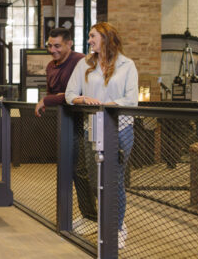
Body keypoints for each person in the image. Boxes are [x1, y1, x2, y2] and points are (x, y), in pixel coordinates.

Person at [65, 22, 138, 249]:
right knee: (97, 181)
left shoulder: (128, 65)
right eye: (89, 36)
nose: (89, 41)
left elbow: (131, 99)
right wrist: (84, 99)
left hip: (121, 129)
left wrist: (106, 107)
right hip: (93, 128)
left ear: (106, 38)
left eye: (92, 36)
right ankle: (106, 220)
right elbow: (69, 94)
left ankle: (116, 228)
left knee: (114, 180)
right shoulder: (83, 64)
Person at [34, 28, 96, 234]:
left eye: (57, 46)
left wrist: (47, 99)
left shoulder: (81, 61)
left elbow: (74, 94)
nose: (52, 50)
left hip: (82, 123)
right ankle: (80, 214)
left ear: (70, 44)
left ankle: (92, 217)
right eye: (49, 46)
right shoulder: (51, 66)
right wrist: (53, 98)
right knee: (67, 169)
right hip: (64, 122)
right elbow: (56, 94)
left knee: (80, 170)